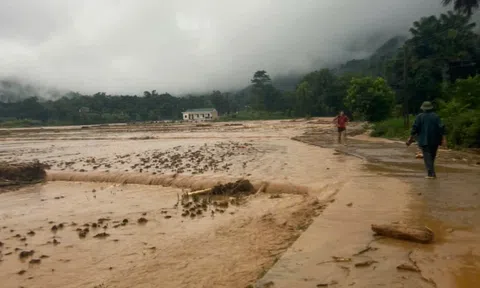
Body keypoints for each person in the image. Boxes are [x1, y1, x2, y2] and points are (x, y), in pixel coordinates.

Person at [406, 101, 446, 179]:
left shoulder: (419, 117)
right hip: (435, 140)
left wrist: (410, 139)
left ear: (423, 109)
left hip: (424, 140)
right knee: (432, 156)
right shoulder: (436, 116)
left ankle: (431, 174)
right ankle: (430, 172)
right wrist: (444, 139)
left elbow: (415, 129)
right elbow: (441, 128)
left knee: (427, 157)